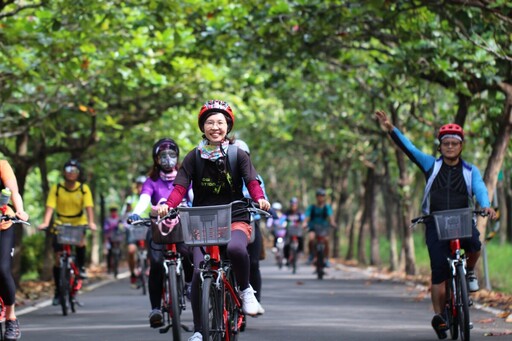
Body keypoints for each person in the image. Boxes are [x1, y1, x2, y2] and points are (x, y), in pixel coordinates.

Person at [375, 110, 497, 339]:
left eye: (454, 143)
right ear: (440, 147)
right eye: (446, 143)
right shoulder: (431, 165)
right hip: (435, 223)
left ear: (461, 147)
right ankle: (440, 316)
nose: (450, 147)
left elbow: (480, 189)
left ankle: (469, 271)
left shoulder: (471, 171)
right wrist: (391, 128)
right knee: (439, 272)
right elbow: (409, 149)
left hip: (462, 219)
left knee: (474, 245)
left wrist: (486, 205)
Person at [157, 99, 271, 341]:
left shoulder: (238, 155)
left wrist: (260, 198)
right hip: (202, 221)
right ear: (203, 126)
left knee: (237, 249)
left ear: (227, 126)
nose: (215, 127)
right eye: (210, 122)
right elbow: (179, 187)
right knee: (199, 274)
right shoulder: (193, 157)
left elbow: (252, 182)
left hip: (235, 217)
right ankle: (199, 330)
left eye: (220, 122)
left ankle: (245, 290)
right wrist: (168, 204)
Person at [127, 138, 193, 329]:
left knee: (188, 253)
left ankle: (189, 284)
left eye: (172, 154)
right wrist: (136, 213)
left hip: (181, 225)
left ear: (177, 157)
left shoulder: (184, 176)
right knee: (155, 263)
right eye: (162, 155)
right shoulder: (151, 181)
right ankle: (155, 308)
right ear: (156, 159)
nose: (167, 159)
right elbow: (144, 200)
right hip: (158, 228)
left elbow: (192, 197)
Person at [38, 159, 97, 305]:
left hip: (78, 223)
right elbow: (50, 207)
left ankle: (81, 267)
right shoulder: (56, 188)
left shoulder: (84, 189)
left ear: (78, 173)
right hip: (61, 223)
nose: (71, 173)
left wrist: (91, 222)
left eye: (74, 170)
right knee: (58, 258)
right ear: (64, 172)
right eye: (68, 170)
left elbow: (89, 207)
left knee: (81, 243)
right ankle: (58, 291)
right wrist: (46, 222)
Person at [235, 139, 267, 315]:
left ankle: (255, 299)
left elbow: (263, 196)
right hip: (228, 223)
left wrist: (262, 203)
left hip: (251, 221)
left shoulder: (255, 177)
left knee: (253, 263)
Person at [0, 160, 29, 341]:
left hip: (3, 223)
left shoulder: (2, 165)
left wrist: (20, 210)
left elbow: (14, 193)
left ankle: (11, 317)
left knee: (2, 269)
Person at [121, 175, 149, 287]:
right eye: (139, 185)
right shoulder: (130, 199)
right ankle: (133, 273)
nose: (141, 187)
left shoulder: (150, 197)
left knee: (153, 248)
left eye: (143, 185)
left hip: (148, 226)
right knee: (131, 250)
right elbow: (123, 214)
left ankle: (148, 267)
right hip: (133, 228)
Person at [303, 188, 336, 267]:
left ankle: (326, 258)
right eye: (319, 196)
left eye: (322, 196)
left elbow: (330, 216)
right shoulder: (312, 207)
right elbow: (307, 216)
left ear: (324, 197)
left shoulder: (327, 207)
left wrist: (332, 222)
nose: (320, 197)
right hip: (313, 226)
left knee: (326, 240)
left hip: (324, 227)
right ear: (316, 197)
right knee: (311, 238)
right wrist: (304, 223)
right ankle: (311, 255)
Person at [284, 197, 305, 263]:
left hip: (297, 231)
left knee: (301, 239)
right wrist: (280, 223)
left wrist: (304, 223)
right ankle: (287, 258)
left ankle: (300, 251)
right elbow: (282, 219)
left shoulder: (299, 212)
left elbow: (303, 218)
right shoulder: (287, 212)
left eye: (295, 204)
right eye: (292, 204)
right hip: (289, 231)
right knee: (286, 244)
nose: (294, 206)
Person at [103, 206, 122, 274]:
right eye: (112, 211)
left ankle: (117, 264)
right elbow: (105, 228)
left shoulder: (119, 219)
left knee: (119, 251)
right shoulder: (108, 219)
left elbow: (122, 227)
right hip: (110, 238)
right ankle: (109, 268)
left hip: (118, 238)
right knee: (109, 253)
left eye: (114, 211)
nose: (113, 213)